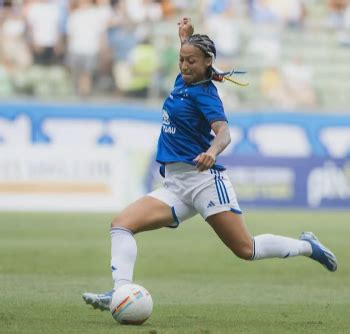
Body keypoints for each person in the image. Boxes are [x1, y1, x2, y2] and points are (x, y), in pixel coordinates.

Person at [82, 17, 338, 311]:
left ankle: (307, 246)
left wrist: (213, 152)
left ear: (207, 63)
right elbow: (191, 57)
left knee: (246, 249)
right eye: (181, 60)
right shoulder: (184, 78)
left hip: (204, 182)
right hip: (176, 186)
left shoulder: (206, 94)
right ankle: (121, 292)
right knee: (121, 225)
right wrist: (185, 39)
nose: (184, 65)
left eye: (191, 61)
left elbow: (225, 132)